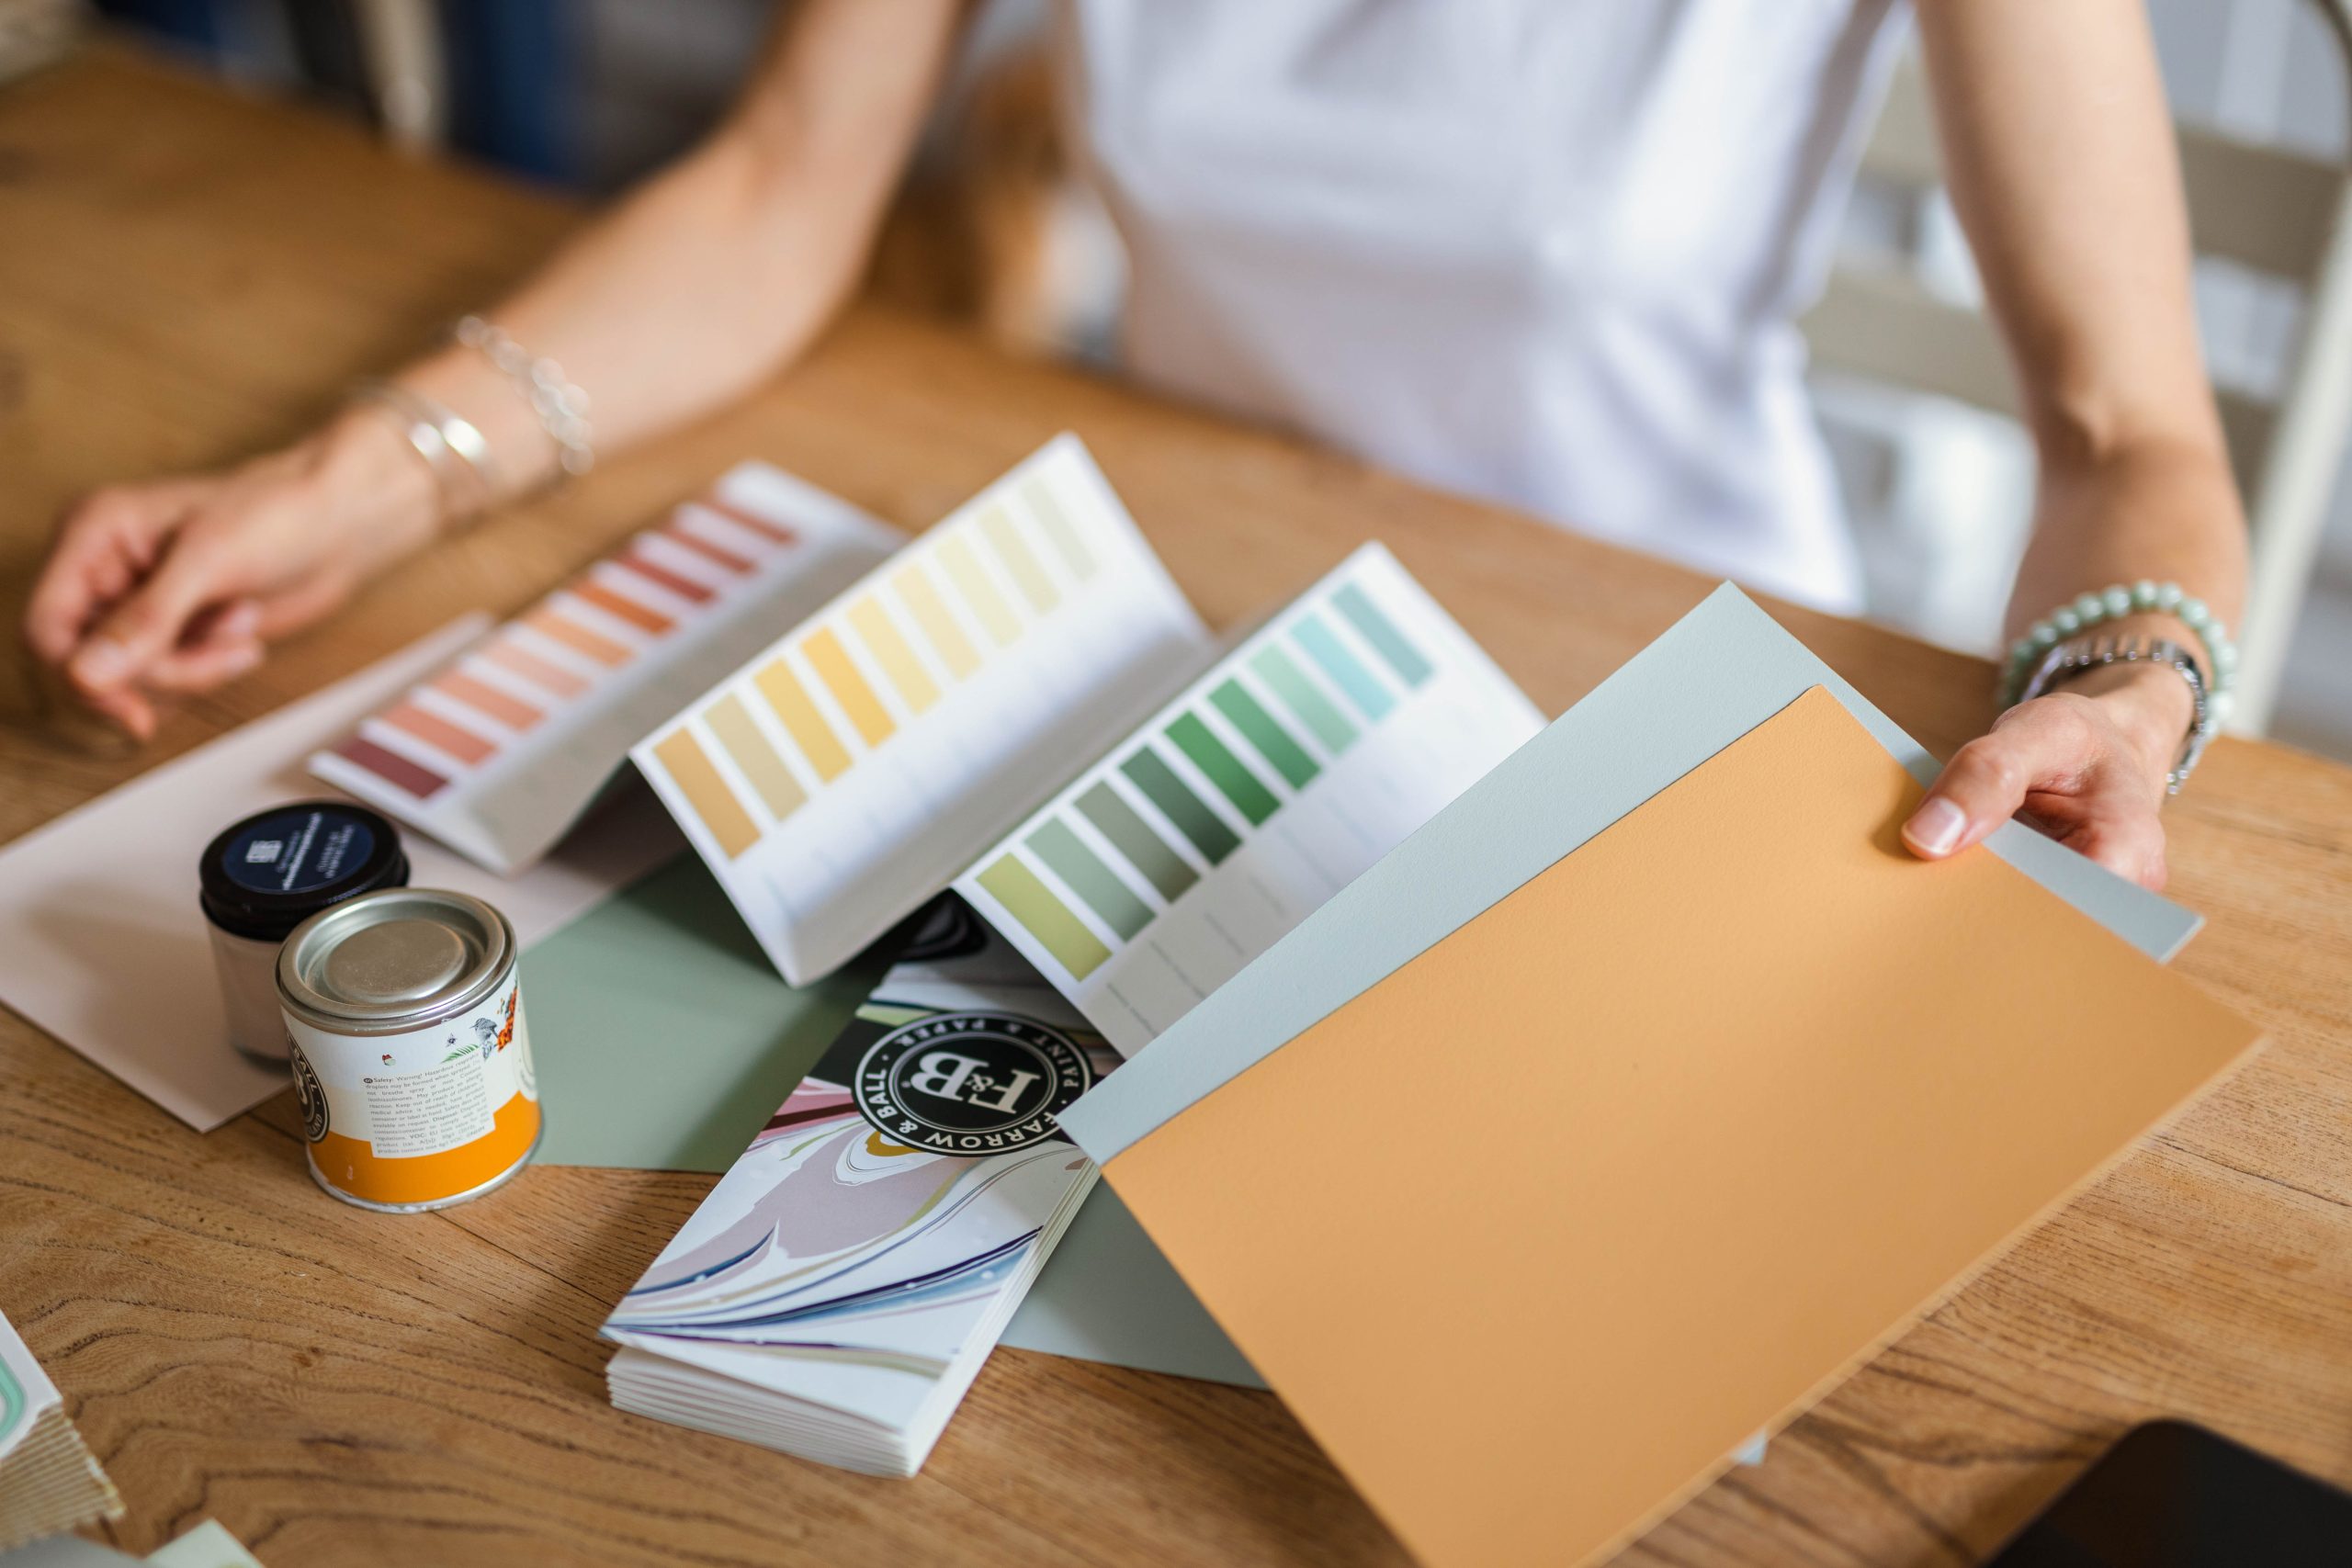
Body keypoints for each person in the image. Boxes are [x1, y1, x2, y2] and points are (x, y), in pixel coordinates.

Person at [22, 0, 2244, 892]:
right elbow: (789, 179)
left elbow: (2123, 419)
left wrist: (2125, 684)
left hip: (1663, 701)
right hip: (1178, 626)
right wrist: (374, 466)